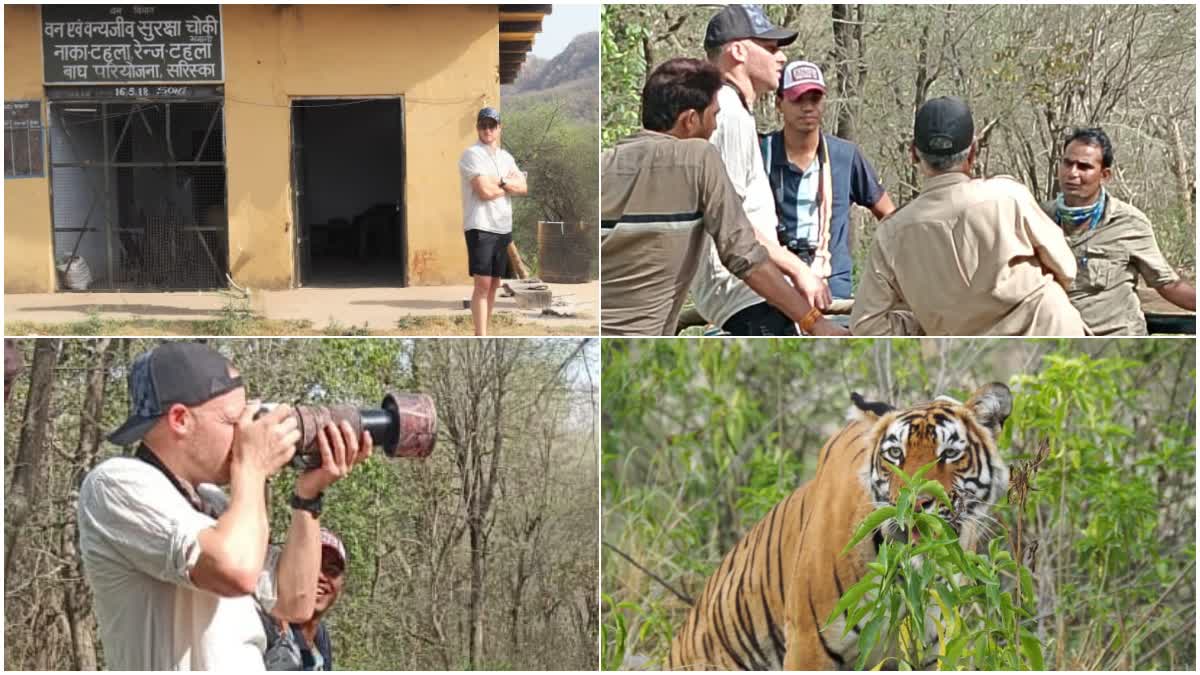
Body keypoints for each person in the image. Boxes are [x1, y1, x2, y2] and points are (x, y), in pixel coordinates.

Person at [77, 342, 371, 670]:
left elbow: (295, 601)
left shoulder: (212, 502)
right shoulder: (116, 483)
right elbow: (235, 570)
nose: (244, 435)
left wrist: (308, 496)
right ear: (180, 419)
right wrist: (252, 467)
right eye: (234, 422)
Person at [601, 57, 845, 336]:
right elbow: (744, 255)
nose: (717, 126)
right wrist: (815, 322)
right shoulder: (697, 157)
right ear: (690, 120)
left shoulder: (604, 163)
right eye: (715, 115)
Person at [850, 97, 1087, 336]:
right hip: (1051, 337)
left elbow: (866, 325)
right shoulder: (1008, 196)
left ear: (913, 153)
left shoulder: (892, 233)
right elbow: (1066, 269)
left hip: (970, 360)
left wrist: (923, 326)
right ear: (973, 152)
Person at [689, 4, 833, 336]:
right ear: (738, 51)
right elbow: (733, 224)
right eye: (770, 48)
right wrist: (799, 270)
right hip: (744, 292)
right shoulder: (727, 113)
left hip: (749, 292)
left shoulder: (728, 108)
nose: (781, 57)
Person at [760, 61, 896, 306]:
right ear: (779, 103)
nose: (808, 108)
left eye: (815, 99)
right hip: (772, 285)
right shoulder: (761, 154)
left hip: (833, 288)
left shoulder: (845, 155)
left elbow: (890, 216)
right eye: (798, 100)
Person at [1041, 127, 1196, 335]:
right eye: (1068, 163)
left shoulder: (1129, 222)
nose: (1072, 173)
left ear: (1104, 175)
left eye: (1084, 167)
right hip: (1056, 339)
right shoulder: (1038, 217)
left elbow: (1167, 284)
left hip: (1117, 340)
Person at [458, 106, 528, 336]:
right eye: (483, 125)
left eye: (492, 125)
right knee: (483, 284)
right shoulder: (471, 155)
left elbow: (523, 187)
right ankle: (480, 334)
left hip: (502, 227)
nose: (487, 129)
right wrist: (507, 184)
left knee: (495, 284)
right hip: (480, 225)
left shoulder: (506, 157)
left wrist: (497, 182)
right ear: (478, 128)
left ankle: (485, 328)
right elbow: (483, 192)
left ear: (499, 128)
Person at [261, 528, 346, 671]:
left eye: (331, 570)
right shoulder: (269, 630)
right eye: (310, 566)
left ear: (342, 586)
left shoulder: (320, 638)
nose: (320, 576)